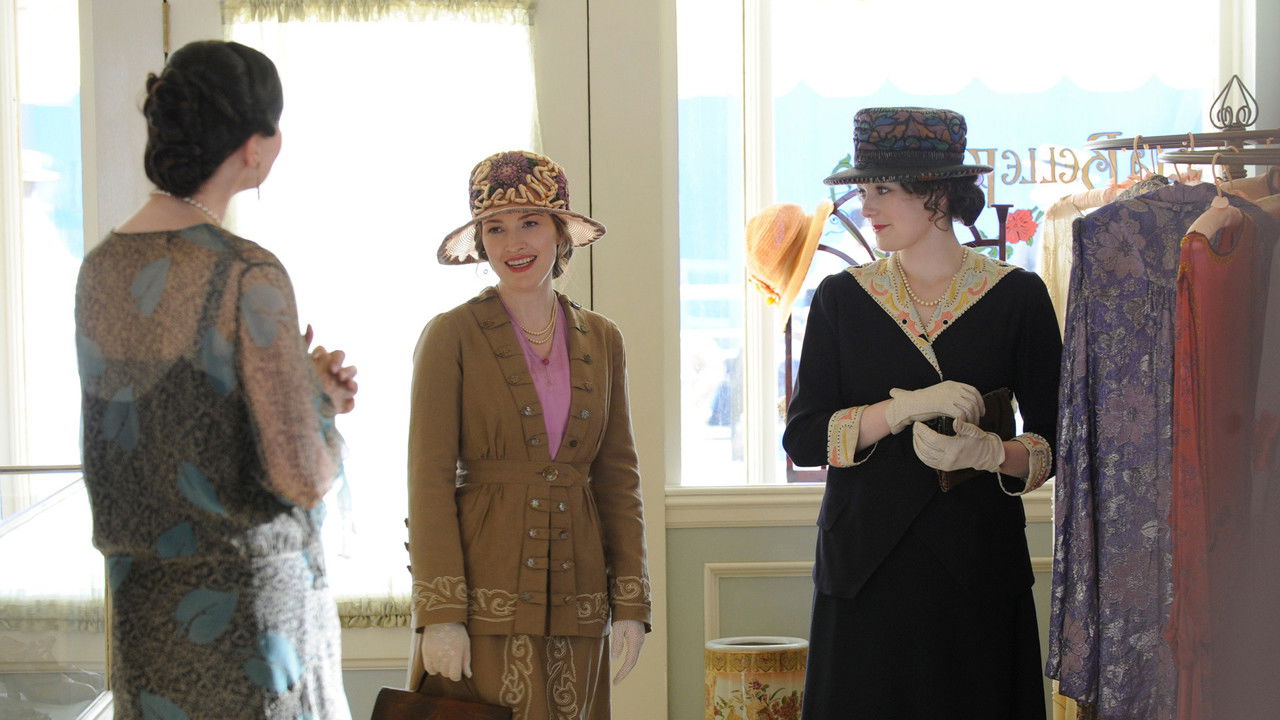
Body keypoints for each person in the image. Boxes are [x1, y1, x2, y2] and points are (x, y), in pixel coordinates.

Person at [74, 40, 357, 720]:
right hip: (250, 631)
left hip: (143, 621)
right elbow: (301, 475)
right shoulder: (247, 273)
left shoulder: (99, 268)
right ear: (253, 146)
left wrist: (296, 382)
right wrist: (321, 405)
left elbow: (161, 420)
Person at [782, 107, 1060, 719]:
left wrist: (992, 453)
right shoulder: (841, 298)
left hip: (979, 569)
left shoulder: (1017, 296)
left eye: (881, 189)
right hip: (864, 569)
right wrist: (899, 410)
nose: (866, 206)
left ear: (936, 193)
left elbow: (1056, 444)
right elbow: (802, 439)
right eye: (864, 191)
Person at [406, 150, 650, 720]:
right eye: (495, 228)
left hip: (580, 588)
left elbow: (618, 477)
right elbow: (428, 480)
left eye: (530, 223)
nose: (513, 243)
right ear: (481, 242)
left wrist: (630, 602)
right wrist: (440, 615)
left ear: (560, 232)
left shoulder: (604, 339)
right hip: (483, 587)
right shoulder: (449, 336)